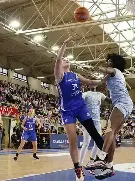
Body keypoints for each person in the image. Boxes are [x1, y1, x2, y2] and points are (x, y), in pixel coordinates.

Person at [54, 36, 107, 180]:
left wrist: (104, 79)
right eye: (65, 59)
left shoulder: (75, 75)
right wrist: (64, 43)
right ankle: (77, 167)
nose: (66, 60)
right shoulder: (60, 76)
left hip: (81, 107)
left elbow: (90, 82)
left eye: (67, 59)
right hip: (67, 111)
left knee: (95, 134)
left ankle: (106, 160)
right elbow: (58, 60)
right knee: (73, 141)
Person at [85, 53, 133, 180]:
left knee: (109, 130)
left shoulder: (114, 70)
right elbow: (99, 82)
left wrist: (95, 66)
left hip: (122, 103)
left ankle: (101, 158)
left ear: (115, 63)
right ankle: (109, 165)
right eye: (108, 61)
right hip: (125, 104)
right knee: (111, 136)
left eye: (110, 61)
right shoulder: (115, 74)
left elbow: (105, 69)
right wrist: (85, 81)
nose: (108, 62)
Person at [79, 87, 111, 175]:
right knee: (86, 143)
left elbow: (109, 100)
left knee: (98, 144)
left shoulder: (100, 94)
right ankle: (79, 165)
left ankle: (91, 162)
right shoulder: (86, 94)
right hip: (88, 120)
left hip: (97, 122)